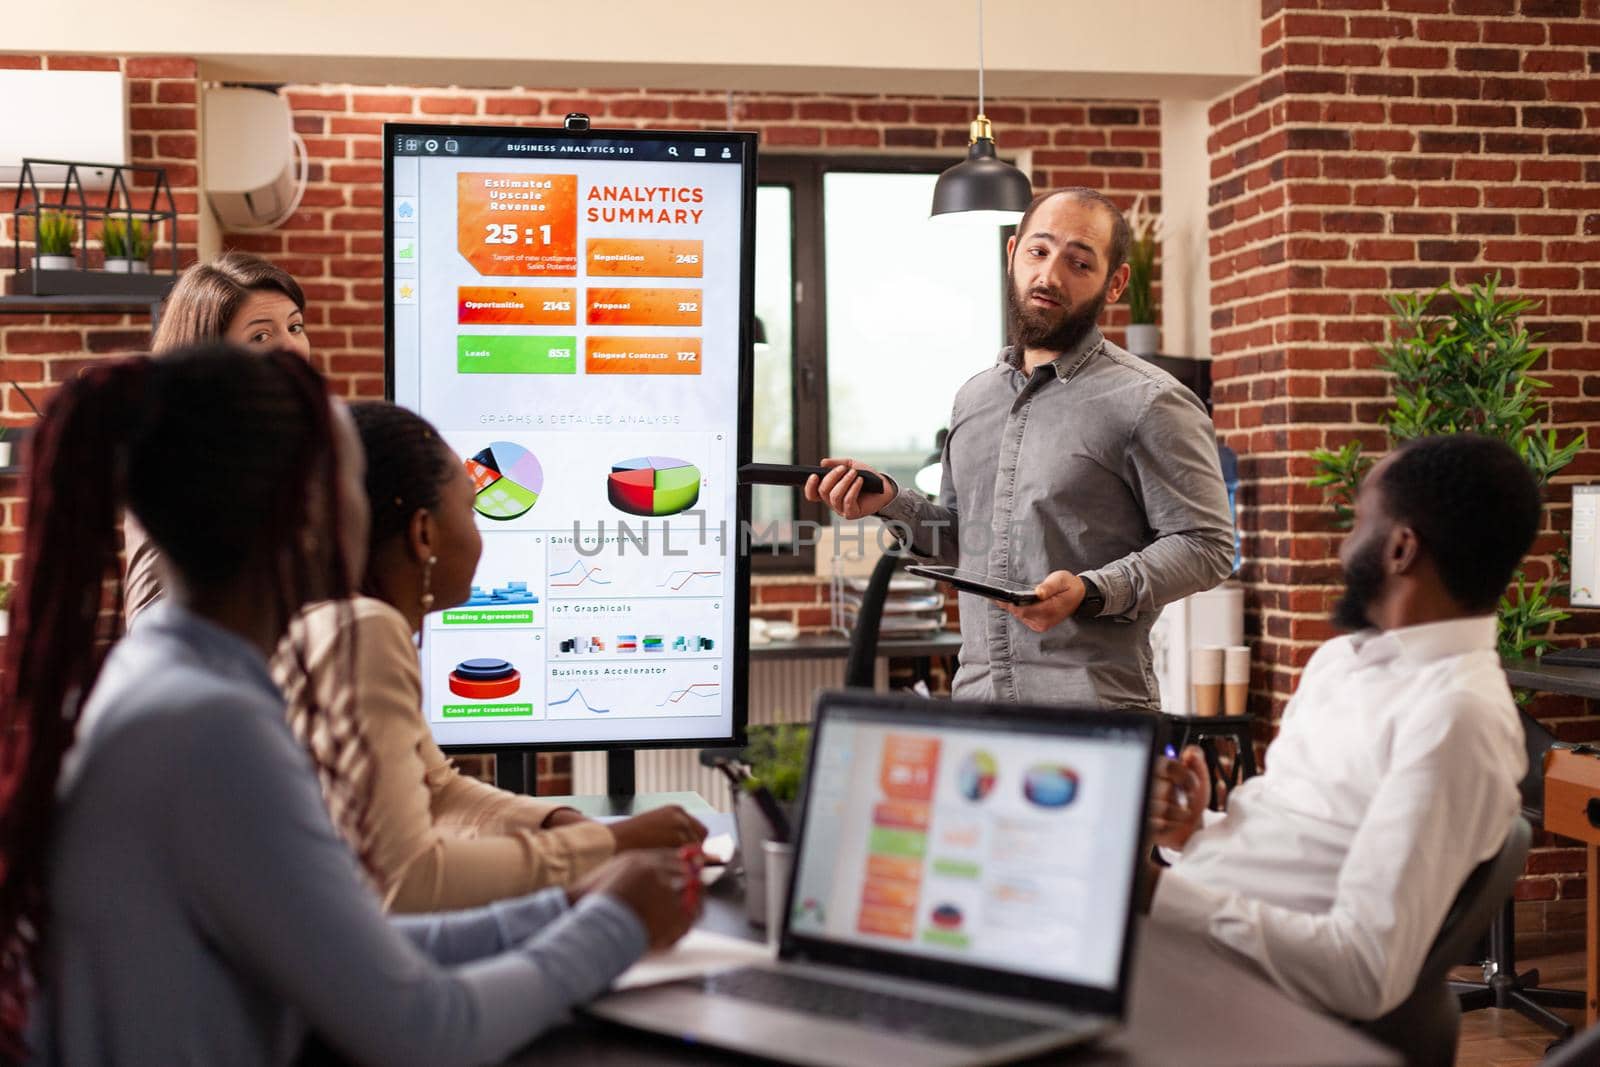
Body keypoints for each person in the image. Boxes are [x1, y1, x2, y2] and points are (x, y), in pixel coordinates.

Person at [0, 345, 696, 1066]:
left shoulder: (167, 677)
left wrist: (563, 909)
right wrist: (615, 924)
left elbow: (356, 937)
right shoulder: (210, 728)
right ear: (310, 517)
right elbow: (424, 1028)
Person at [1145, 433, 1539, 1021]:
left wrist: (1152, 894)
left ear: (1401, 548)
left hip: (1242, 1002)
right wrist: (1195, 832)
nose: (1343, 547)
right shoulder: (1341, 662)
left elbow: (1362, 969)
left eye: (1358, 524)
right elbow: (1303, 846)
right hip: (1184, 945)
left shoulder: (1457, 718)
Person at [807, 187, 1234, 711]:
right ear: (1012, 254)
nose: (1050, 275)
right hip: (977, 709)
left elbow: (1208, 545)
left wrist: (1091, 589)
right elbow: (969, 545)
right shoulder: (974, 398)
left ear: (1115, 283)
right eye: (1039, 252)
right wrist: (892, 502)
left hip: (1092, 718)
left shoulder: (1150, 401)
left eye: (1079, 262)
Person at [275, 401, 707, 912]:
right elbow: (408, 882)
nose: (482, 534)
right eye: (472, 510)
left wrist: (559, 822)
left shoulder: (328, 621)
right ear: (423, 533)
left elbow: (436, 789)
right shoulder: (366, 631)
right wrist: (610, 844)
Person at [124, 251, 313, 623]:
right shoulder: (171, 461)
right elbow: (150, 620)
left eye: (295, 327)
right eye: (261, 336)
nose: (292, 348)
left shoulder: (304, 445)